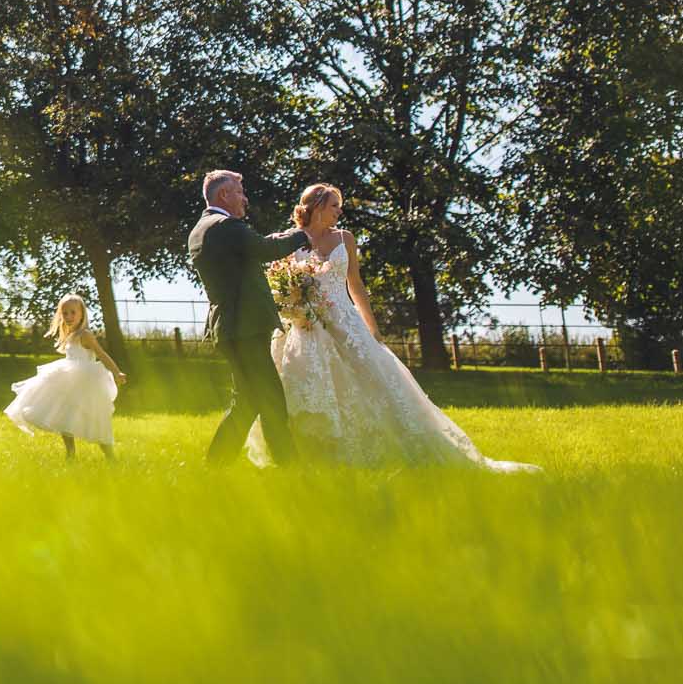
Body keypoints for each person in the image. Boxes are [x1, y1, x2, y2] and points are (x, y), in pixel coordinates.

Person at [249, 185, 538, 472]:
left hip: (344, 322)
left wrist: (371, 328)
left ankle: (382, 450)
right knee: (302, 386)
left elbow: (355, 284)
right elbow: (279, 283)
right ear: (319, 206)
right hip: (304, 325)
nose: (340, 211)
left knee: (371, 381)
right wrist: (289, 305)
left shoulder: (344, 238)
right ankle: (308, 455)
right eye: (335, 205)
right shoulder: (290, 240)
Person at [187, 169, 310, 466]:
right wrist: (302, 235)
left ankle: (215, 465)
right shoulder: (226, 226)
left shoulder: (203, 228)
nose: (245, 198)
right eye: (240, 191)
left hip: (229, 328)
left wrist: (284, 236)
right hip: (245, 327)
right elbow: (267, 248)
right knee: (270, 399)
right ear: (224, 195)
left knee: (248, 400)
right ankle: (289, 468)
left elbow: (255, 244)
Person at [4, 293, 127, 460]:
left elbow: (101, 354)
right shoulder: (70, 334)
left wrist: (116, 371)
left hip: (86, 382)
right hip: (68, 380)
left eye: (72, 312)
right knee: (64, 414)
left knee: (95, 420)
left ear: (82, 313)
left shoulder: (85, 335)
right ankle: (70, 454)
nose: (68, 316)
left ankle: (110, 456)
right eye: (65, 313)